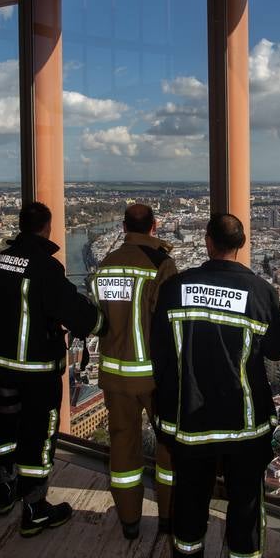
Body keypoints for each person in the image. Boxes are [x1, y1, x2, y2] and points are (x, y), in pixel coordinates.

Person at [151, 213, 280, 558]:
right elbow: (278, 348)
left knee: (191, 494)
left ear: (208, 241)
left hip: (189, 418)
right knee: (246, 501)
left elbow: (159, 351)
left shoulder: (175, 287)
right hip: (243, 422)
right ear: (240, 244)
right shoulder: (259, 291)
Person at [0, 201, 102, 537]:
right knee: (38, 431)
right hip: (35, 366)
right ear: (46, 228)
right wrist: (98, 321)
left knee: (6, 419)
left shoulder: (3, 259)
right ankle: (35, 507)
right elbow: (70, 308)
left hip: (2, 362)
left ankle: (5, 487)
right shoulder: (46, 267)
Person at [91, 203, 177, 540]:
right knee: (168, 447)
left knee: (123, 447)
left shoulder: (106, 265)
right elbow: (169, 323)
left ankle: (129, 519)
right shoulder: (161, 264)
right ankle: (168, 516)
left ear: (125, 227)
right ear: (154, 226)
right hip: (154, 376)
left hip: (114, 375)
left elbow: (98, 320)